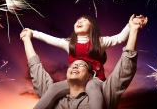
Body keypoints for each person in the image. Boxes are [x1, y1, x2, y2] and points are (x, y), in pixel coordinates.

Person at [20, 14, 148, 109]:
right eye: (77, 21)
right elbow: (50, 40)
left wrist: (131, 27)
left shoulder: (99, 42)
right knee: (53, 88)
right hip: (72, 84)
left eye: (84, 20)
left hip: (96, 80)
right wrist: (32, 34)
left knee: (93, 87)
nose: (79, 21)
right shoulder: (69, 43)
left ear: (92, 27)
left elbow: (120, 39)